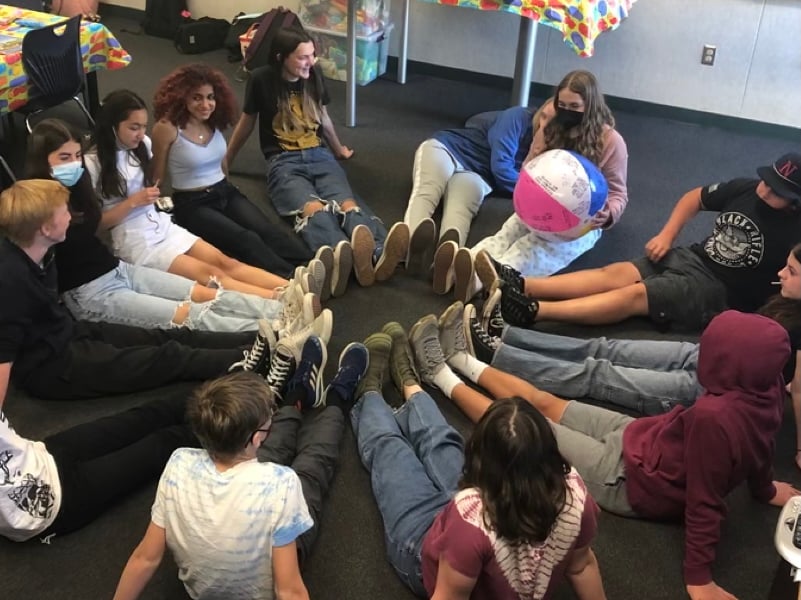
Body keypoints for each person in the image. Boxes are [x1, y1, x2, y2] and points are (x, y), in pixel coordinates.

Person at [409, 302, 801, 600]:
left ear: (730, 365)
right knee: (545, 401)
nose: (703, 355)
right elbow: (761, 443)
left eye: (712, 352)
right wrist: (764, 490)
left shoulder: (716, 419)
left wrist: (699, 578)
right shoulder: (766, 390)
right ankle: (463, 359)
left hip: (630, 479)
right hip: (644, 437)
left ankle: (439, 374)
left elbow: (705, 499)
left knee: (522, 428)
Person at [350, 322, 606, 599]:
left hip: (427, 546)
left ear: (480, 460)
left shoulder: (469, 525)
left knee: (390, 452)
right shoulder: (577, 499)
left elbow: (449, 595)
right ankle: (410, 384)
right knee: (440, 438)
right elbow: (582, 566)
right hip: (479, 515)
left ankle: (368, 394)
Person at [113, 338, 369, 600]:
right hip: (265, 580)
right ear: (256, 438)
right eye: (269, 419)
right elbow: (288, 589)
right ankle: (336, 398)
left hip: (201, 589)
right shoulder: (282, 485)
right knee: (313, 465)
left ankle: (299, 393)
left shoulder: (178, 462)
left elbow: (145, 558)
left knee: (273, 450)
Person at [0, 177, 288, 407]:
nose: (70, 217)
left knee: (168, 337)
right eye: (63, 212)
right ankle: (258, 357)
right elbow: (4, 356)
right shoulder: (12, 280)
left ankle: (268, 333)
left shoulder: (40, 253)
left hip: (70, 332)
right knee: (166, 358)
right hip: (53, 368)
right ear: (47, 227)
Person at [26, 118, 304, 333]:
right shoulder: (35, 205)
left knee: (205, 292)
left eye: (76, 155)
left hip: (117, 269)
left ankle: (284, 309)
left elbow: (95, 228)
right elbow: (33, 269)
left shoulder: (79, 186)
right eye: (65, 158)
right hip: (90, 291)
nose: (75, 163)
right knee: (189, 313)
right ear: (43, 160)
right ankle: (282, 328)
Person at [464, 243, 801, 420]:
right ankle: (508, 335)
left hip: (709, 390)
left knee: (597, 374)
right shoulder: (786, 300)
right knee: (604, 348)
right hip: (702, 354)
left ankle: (496, 356)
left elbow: (798, 391)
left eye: (791, 271)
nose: (780, 273)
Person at [495, 152, 801, 332]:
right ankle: (520, 283)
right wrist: (667, 234)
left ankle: (533, 310)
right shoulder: (746, 189)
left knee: (635, 296)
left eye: (775, 192)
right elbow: (693, 197)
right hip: (696, 257)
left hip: (720, 291)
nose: (764, 191)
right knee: (614, 274)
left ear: (794, 202)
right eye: (765, 181)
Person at [86, 89, 326, 303]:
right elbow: (95, 225)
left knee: (226, 262)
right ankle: (286, 299)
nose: (140, 134)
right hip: (135, 240)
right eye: (133, 127)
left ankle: (297, 286)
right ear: (111, 126)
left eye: (142, 126)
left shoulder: (141, 145)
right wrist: (132, 202)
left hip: (160, 224)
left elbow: (155, 179)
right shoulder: (91, 164)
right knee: (211, 276)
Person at [225, 28, 409, 293]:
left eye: (312, 55)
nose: (310, 62)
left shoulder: (313, 75)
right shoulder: (262, 79)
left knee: (348, 206)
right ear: (281, 57)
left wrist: (339, 149)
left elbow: (323, 116)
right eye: (302, 57)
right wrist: (227, 159)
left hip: (320, 155)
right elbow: (247, 122)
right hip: (283, 161)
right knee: (314, 211)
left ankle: (378, 253)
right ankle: (340, 257)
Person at [432, 70, 628, 302]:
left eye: (574, 106)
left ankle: (478, 282)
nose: (567, 112)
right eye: (562, 104)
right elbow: (530, 168)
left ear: (591, 105)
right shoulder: (552, 127)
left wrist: (608, 214)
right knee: (506, 235)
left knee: (531, 249)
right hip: (540, 207)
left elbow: (618, 193)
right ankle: (455, 269)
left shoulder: (611, 141)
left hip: (580, 223)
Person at [150, 64, 318, 283]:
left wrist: (230, 191)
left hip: (224, 191)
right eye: (197, 98)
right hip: (192, 203)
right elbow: (156, 176)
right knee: (245, 239)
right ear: (181, 98)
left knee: (266, 229)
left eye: (210, 97)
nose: (206, 104)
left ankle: (314, 265)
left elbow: (222, 164)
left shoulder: (213, 121)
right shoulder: (167, 128)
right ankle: (295, 278)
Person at [0, 392, 198, 543]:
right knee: (165, 442)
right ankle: (226, 429)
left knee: (149, 415)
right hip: (55, 504)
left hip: (42, 454)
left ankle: (225, 389)